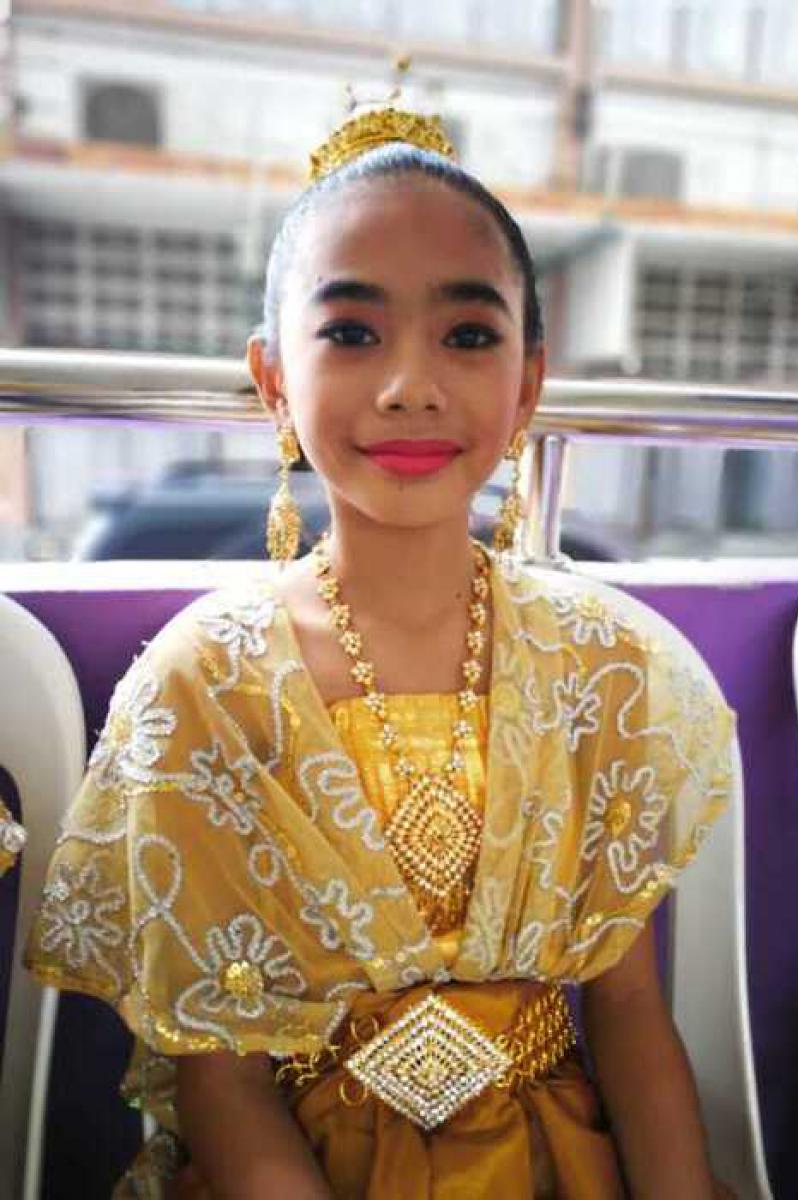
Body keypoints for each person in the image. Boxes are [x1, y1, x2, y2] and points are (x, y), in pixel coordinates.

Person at [26, 98, 738, 1199]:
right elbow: (221, 1080)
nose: (411, 385)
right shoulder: (207, 685)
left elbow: (634, 1015)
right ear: (273, 379)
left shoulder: (607, 670)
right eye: (354, 333)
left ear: (529, 383)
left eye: (468, 335)